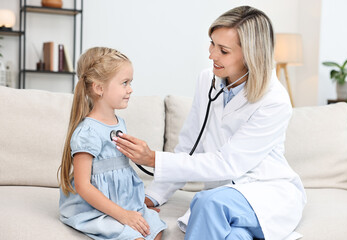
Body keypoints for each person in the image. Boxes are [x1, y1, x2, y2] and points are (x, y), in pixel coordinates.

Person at [113, 6, 306, 240]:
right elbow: (189, 146)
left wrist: (153, 158)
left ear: (251, 55)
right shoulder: (207, 81)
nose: (211, 55)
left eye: (223, 50)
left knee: (207, 202)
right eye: (212, 43)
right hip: (225, 198)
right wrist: (152, 196)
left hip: (266, 193)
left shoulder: (274, 100)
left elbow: (229, 163)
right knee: (234, 236)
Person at [58, 47, 166, 240]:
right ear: (99, 88)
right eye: (124, 83)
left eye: (130, 83)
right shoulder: (87, 132)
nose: (130, 89)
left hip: (123, 204)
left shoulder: (119, 123)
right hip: (95, 209)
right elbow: (83, 186)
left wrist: (134, 205)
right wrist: (123, 215)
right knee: (137, 238)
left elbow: (118, 173)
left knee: (156, 231)